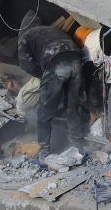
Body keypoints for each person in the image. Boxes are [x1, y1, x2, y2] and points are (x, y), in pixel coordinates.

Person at [18, 12, 87, 157]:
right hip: (76, 59)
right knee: (72, 107)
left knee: (44, 112)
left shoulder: (25, 37)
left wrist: (44, 79)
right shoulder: (52, 30)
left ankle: (44, 152)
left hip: (58, 62)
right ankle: (78, 148)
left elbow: (27, 66)